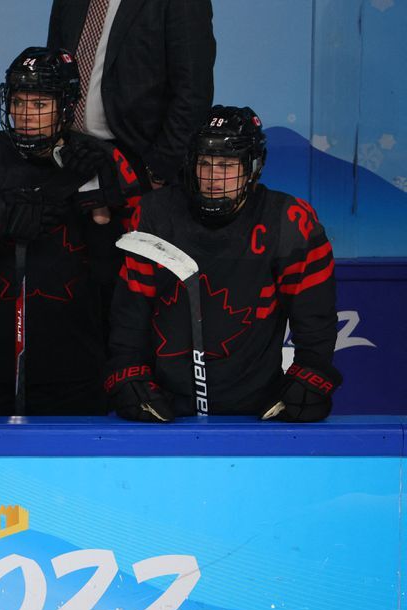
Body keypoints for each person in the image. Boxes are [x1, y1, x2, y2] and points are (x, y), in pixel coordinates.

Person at [107, 105, 340, 422]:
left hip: (257, 408)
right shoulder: (154, 213)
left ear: (253, 166)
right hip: (166, 407)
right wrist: (127, 375)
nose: (213, 177)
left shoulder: (289, 220)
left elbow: (314, 314)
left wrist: (311, 374)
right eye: (204, 163)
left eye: (227, 165)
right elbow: (130, 312)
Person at [0, 46, 126, 416]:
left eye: (39, 105)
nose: (25, 116)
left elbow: (124, 277)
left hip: (78, 369)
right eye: (18, 103)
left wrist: (100, 217)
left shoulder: (104, 162)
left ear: (67, 105)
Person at [47, 0, 216, 188]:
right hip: (70, 156)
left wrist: (158, 169)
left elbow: (194, 92)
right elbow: (54, 68)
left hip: (137, 163)